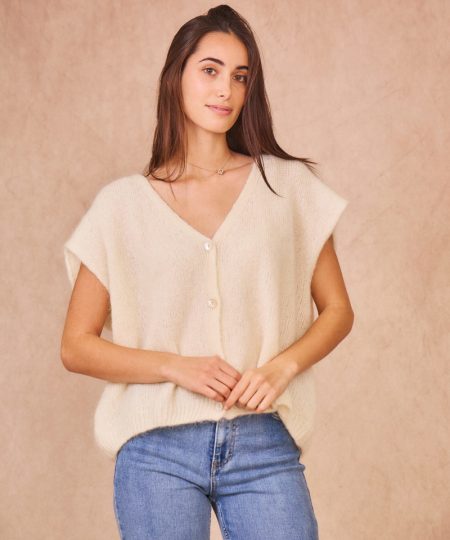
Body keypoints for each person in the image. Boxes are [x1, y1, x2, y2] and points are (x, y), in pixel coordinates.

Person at [61, 5, 353, 539]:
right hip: (156, 449)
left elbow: (337, 310)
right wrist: (174, 366)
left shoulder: (286, 187)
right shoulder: (121, 207)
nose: (226, 90)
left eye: (240, 77)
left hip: (263, 443)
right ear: (176, 77)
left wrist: (282, 368)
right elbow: (76, 346)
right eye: (210, 70)